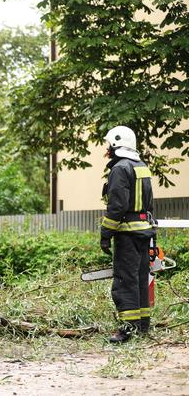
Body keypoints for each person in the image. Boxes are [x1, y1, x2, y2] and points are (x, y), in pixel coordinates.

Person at [100, 126, 155, 343]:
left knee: (125, 281)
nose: (107, 149)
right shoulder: (140, 166)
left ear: (115, 143)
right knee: (141, 279)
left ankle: (128, 330)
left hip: (126, 234)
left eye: (108, 145)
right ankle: (142, 327)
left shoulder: (120, 169)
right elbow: (148, 204)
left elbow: (117, 206)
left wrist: (106, 233)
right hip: (143, 231)